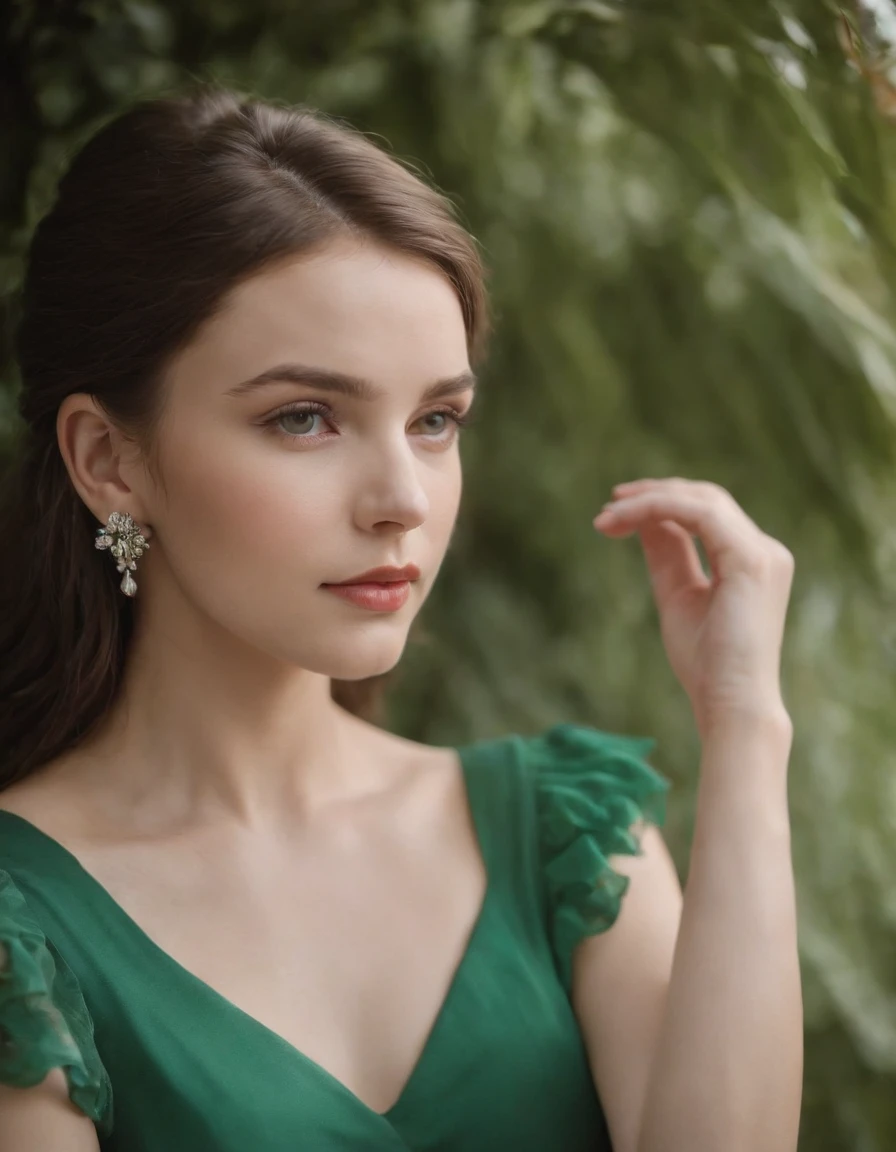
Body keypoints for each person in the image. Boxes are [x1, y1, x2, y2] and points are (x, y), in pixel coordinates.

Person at [0, 86, 802, 1151]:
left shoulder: (565, 836)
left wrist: (744, 724)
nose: (403, 499)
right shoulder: (24, 926)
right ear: (109, 460)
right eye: (304, 418)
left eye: (434, 421)